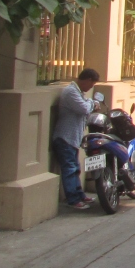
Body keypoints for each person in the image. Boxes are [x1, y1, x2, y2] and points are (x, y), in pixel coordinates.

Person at [52, 68, 99, 210]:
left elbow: (86, 106)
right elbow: (84, 108)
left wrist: (90, 102)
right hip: (65, 138)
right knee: (70, 169)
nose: (90, 88)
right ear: (87, 80)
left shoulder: (79, 93)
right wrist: (92, 103)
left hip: (73, 138)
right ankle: (73, 199)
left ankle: (80, 195)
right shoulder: (71, 92)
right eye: (91, 85)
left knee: (75, 168)